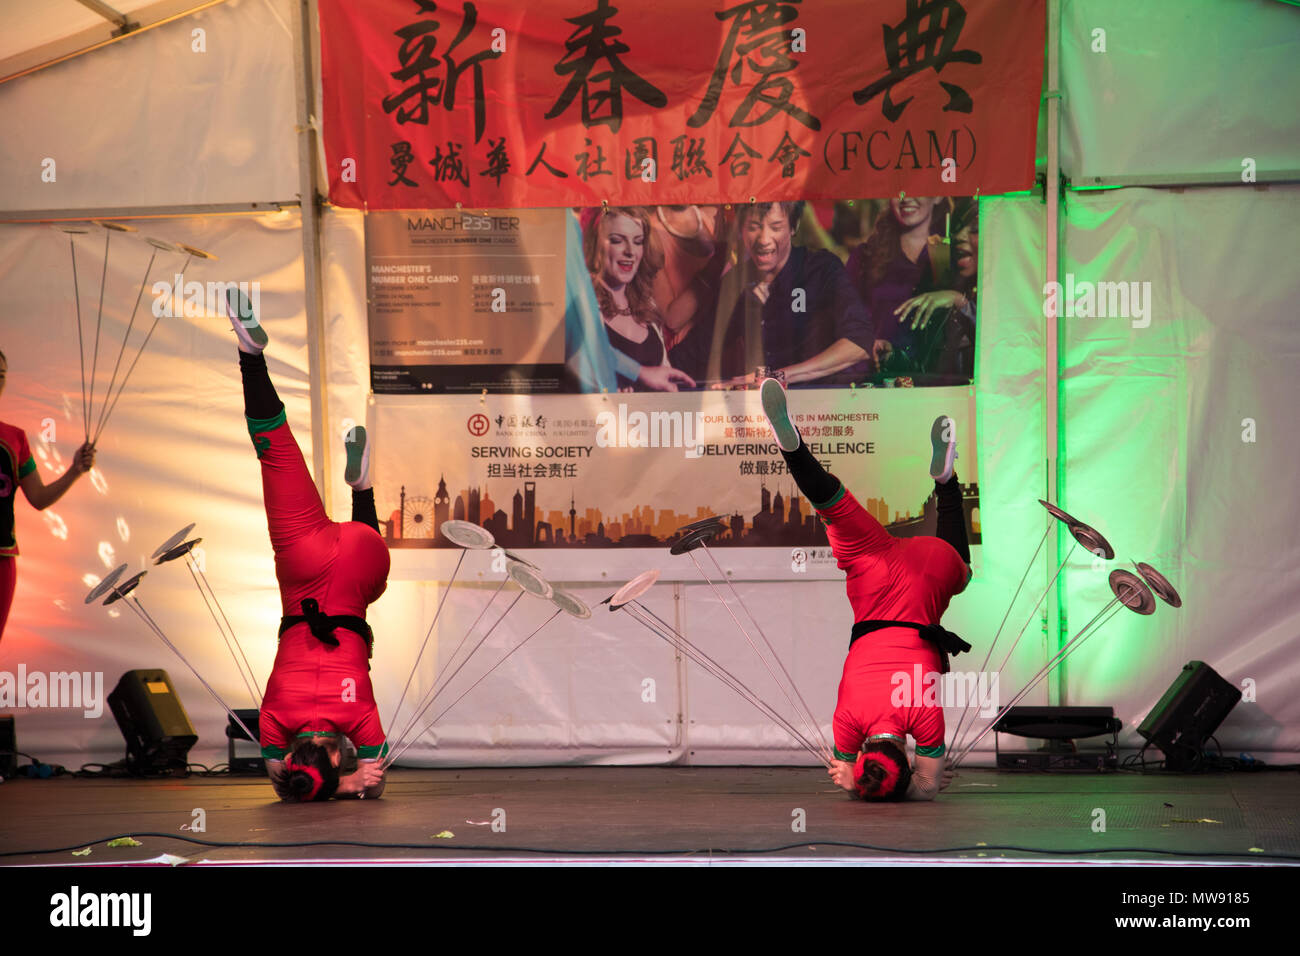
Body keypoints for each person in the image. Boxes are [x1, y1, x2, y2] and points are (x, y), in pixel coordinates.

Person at [760, 377, 971, 800]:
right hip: (873, 579)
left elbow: (928, 787)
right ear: (864, 758)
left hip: (921, 590)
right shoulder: (847, 725)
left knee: (960, 567)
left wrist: (921, 780)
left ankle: (946, 480)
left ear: (905, 757)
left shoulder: (924, 717)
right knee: (832, 506)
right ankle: (793, 447)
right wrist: (853, 780)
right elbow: (855, 772)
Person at [225, 292, 387, 801]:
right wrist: (327, 783)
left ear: (339, 755)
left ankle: (364, 493)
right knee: (274, 452)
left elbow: (373, 784)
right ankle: (251, 355)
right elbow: (283, 785)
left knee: (373, 571)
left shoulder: (358, 715)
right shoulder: (274, 719)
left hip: (360, 569)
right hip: (303, 569)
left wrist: (352, 784)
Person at [669, 201, 875, 387]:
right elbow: (697, 349)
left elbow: (858, 344)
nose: (763, 239)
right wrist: (643, 372)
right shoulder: (738, 281)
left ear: (793, 228)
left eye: (775, 227)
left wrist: (777, 377)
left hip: (825, 404)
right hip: (767, 406)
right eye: (753, 227)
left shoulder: (822, 269)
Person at [0, 349, 96, 643]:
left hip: (2, 559)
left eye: (1, 376)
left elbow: (39, 498)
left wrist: (75, 470)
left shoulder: (15, 438)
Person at [582, 206, 695, 392]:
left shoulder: (646, 305)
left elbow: (664, 379)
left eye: (638, 242)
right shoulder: (583, 304)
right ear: (595, 245)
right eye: (618, 240)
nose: (630, 251)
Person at [846, 196, 952, 376]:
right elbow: (845, 321)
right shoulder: (865, 257)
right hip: (877, 378)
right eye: (898, 187)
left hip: (937, 383)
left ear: (938, 196)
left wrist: (956, 298)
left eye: (916, 187)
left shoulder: (954, 253)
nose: (906, 197)